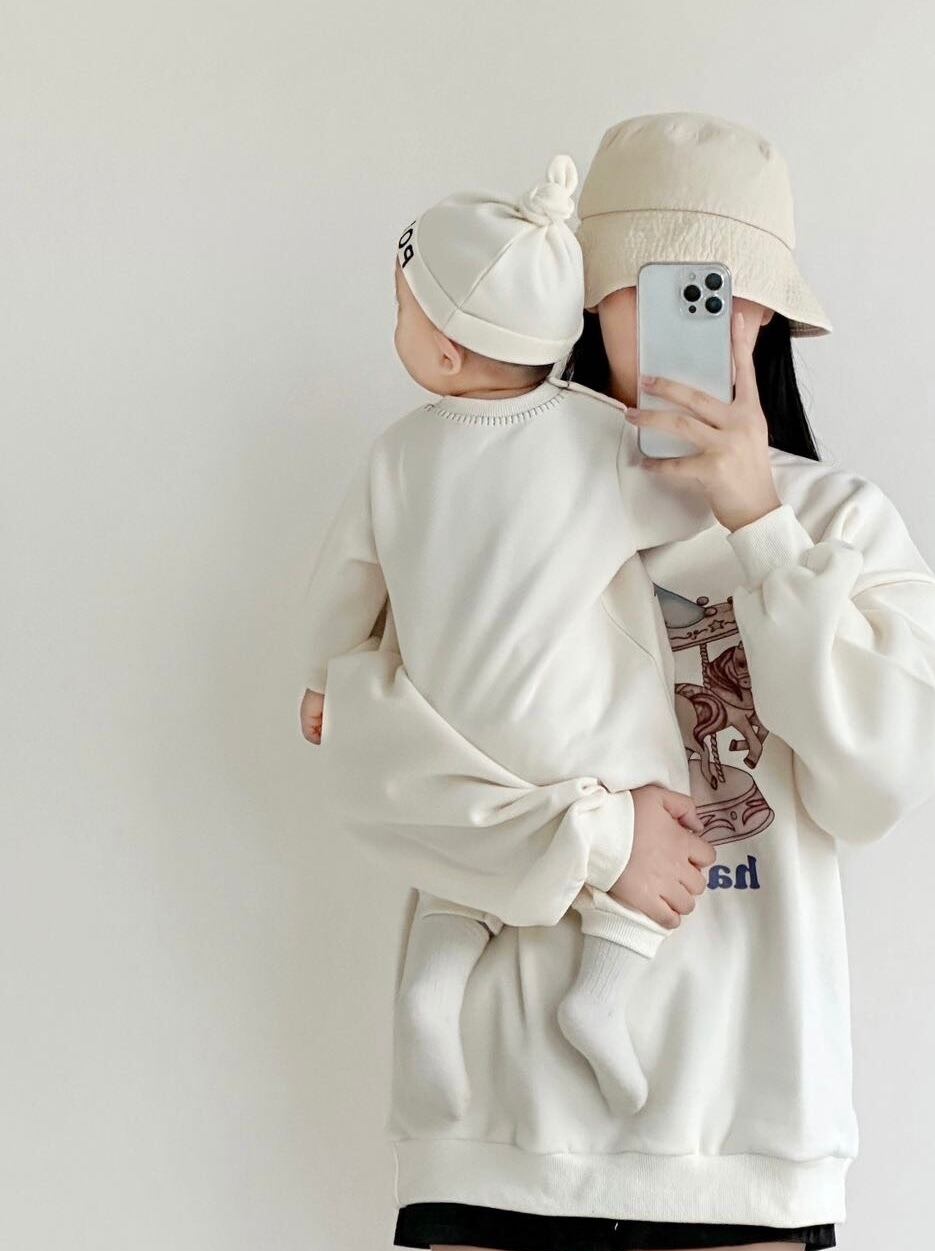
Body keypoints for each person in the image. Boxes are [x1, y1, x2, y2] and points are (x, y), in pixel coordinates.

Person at [311, 112, 935, 1251]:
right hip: (501, 1096)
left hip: (738, 1109)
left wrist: (756, 520)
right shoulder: (460, 490)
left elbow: (879, 776)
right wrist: (602, 837)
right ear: (589, 296)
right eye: (660, 284)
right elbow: (377, 765)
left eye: (723, 291)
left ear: (767, 314)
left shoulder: (836, 522)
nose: (698, 320)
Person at [296, 153, 721, 1121]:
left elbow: (345, 583)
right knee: (666, 801)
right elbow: (688, 513)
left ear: (446, 353)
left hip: (451, 737)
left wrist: (321, 679)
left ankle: (431, 988)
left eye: (400, 311)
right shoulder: (598, 438)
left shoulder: (397, 453)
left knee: (457, 865)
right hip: (570, 739)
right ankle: (602, 988)